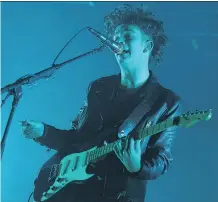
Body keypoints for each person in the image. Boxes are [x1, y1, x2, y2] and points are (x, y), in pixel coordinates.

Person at [21, 4, 182, 202]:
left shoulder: (165, 102)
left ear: (147, 46)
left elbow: (162, 159)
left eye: (128, 37)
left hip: (116, 194)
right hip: (74, 193)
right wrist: (44, 132)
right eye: (115, 39)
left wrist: (137, 166)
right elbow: (76, 141)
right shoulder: (98, 88)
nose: (119, 43)